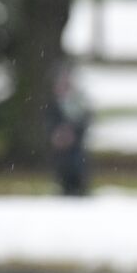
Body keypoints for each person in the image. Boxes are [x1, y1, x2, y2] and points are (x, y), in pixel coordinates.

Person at [45, 64, 92, 197]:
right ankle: (65, 187)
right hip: (62, 145)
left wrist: (73, 133)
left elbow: (84, 119)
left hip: (75, 143)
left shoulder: (78, 101)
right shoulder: (54, 102)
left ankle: (79, 187)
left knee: (76, 164)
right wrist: (57, 133)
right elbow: (50, 120)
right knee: (63, 165)